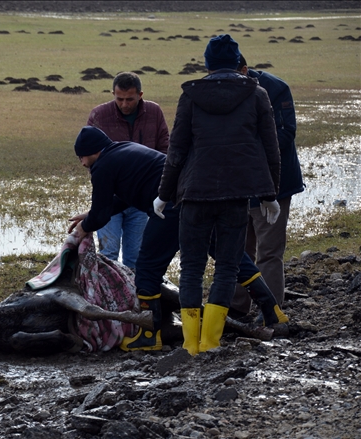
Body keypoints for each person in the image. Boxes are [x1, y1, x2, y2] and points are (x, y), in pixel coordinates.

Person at [68, 126, 286, 353]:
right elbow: (124, 197)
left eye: (81, 157)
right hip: (196, 197)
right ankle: (272, 310)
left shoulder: (102, 166)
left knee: (147, 267)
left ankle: (149, 335)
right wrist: (89, 216)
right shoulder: (123, 149)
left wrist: (84, 228)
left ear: (90, 151)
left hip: (170, 209)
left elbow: (101, 214)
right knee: (226, 254)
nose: (83, 163)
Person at [154, 34, 281, 355]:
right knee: (226, 266)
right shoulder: (258, 94)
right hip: (235, 195)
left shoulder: (191, 96)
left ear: (207, 64)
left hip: (194, 193)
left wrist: (163, 194)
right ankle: (211, 342)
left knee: (192, 268)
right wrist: (270, 195)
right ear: (239, 63)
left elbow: (177, 151)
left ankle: (191, 343)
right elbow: (271, 151)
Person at [228, 54, 305, 322]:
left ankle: (271, 310)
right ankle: (237, 307)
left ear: (245, 70)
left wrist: (244, 150)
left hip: (274, 183)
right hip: (236, 186)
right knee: (238, 248)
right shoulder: (220, 89)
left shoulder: (275, 88)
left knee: (269, 250)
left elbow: (286, 133)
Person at [86, 71, 169, 270]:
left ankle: (135, 298)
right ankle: (110, 296)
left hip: (143, 197)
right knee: (108, 253)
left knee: (136, 256)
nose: (124, 104)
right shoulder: (99, 115)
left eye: (129, 99)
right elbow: (90, 157)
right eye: (119, 99)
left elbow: (165, 150)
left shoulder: (154, 112)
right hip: (111, 195)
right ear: (113, 94)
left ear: (140, 95)